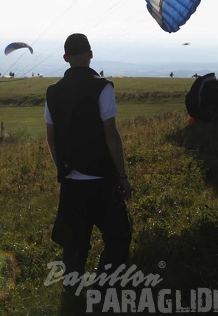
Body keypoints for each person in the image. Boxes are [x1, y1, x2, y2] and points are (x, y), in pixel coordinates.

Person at [45, 33, 132, 294]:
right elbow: (111, 135)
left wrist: (62, 169)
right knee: (119, 236)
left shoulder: (53, 92)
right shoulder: (102, 87)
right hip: (102, 179)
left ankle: (72, 292)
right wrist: (123, 176)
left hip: (71, 181)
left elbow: (51, 138)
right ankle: (104, 286)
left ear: (65, 58)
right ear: (91, 54)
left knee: (74, 241)